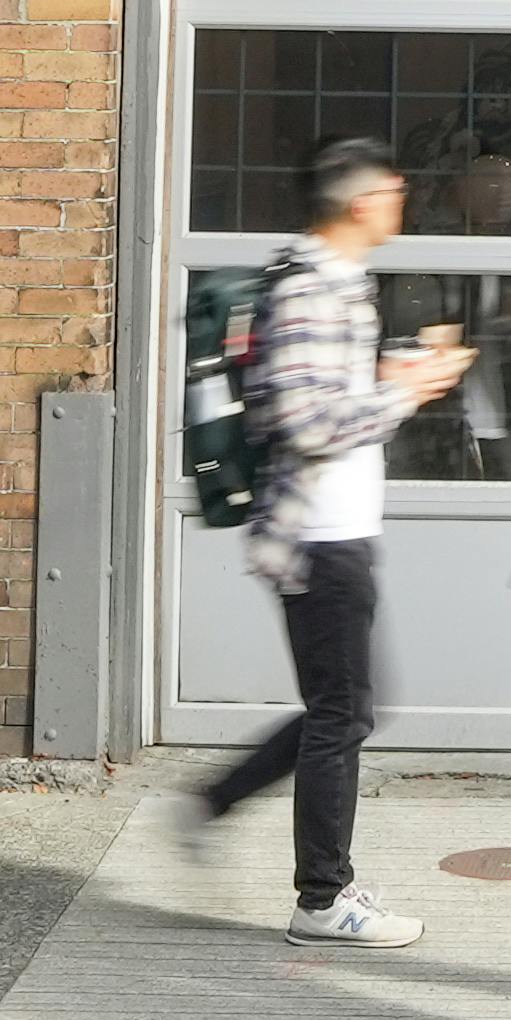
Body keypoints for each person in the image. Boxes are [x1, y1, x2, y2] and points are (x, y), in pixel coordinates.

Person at [195, 132, 468, 946]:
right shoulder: (312, 287)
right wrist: (407, 393)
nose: (403, 196)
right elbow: (302, 419)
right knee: (342, 712)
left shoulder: (336, 281)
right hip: (318, 533)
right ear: (360, 202)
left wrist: (393, 372)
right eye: (393, 187)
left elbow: (320, 390)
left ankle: (216, 801)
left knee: (341, 707)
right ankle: (322, 898)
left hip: (335, 527)